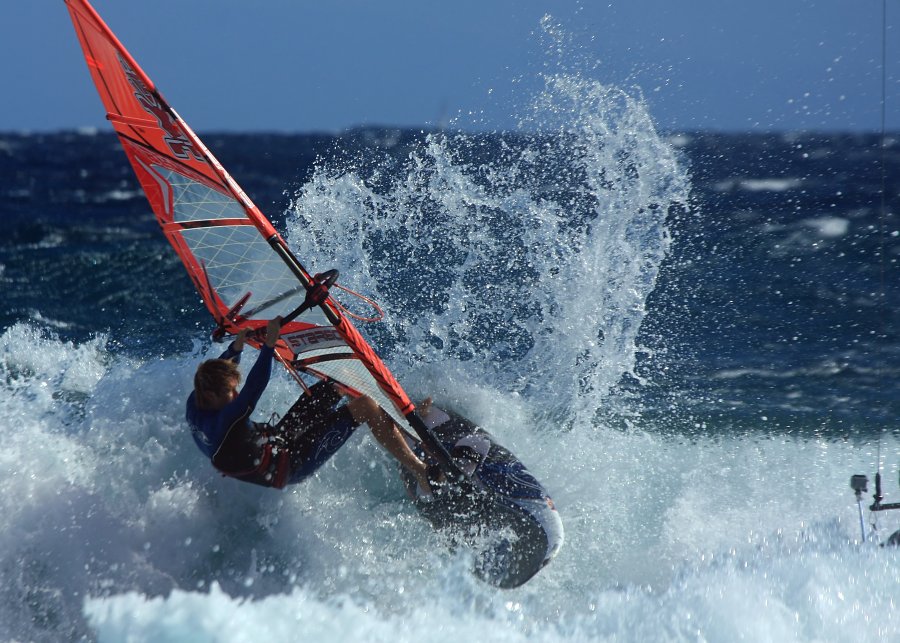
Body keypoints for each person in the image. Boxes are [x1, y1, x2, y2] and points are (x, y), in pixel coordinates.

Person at [186, 317, 433, 493]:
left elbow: (221, 368)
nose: (235, 394)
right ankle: (419, 471)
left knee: (337, 380)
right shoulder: (225, 420)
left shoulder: (196, 399)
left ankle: (395, 418)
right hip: (290, 465)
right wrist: (269, 345)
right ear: (212, 396)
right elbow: (254, 385)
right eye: (230, 392)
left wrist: (236, 346)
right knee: (365, 405)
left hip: (276, 441)